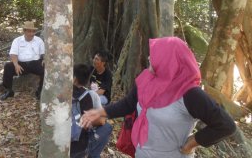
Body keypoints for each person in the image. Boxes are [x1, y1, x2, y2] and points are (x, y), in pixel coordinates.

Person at [81, 37, 236, 158]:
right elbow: (128, 104)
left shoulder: (190, 93)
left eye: (155, 54)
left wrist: (192, 142)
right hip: (142, 153)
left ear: (170, 60)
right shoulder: (148, 80)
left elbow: (225, 125)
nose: (149, 57)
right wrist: (101, 112)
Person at [71, 64, 112, 158]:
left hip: (60, 141)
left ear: (74, 78)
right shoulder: (90, 95)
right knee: (107, 127)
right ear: (87, 80)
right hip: (79, 145)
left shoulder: (62, 93)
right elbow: (101, 121)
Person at [0, 21, 45, 101]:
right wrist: (16, 65)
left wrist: (44, 59)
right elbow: (13, 54)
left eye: (33, 31)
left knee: (46, 70)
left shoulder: (39, 41)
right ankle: (8, 90)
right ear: (24, 31)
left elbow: (43, 54)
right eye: (29, 31)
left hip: (35, 63)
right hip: (21, 64)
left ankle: (40, 92)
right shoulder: (17, 40)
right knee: (8, 67)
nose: (31, 33)